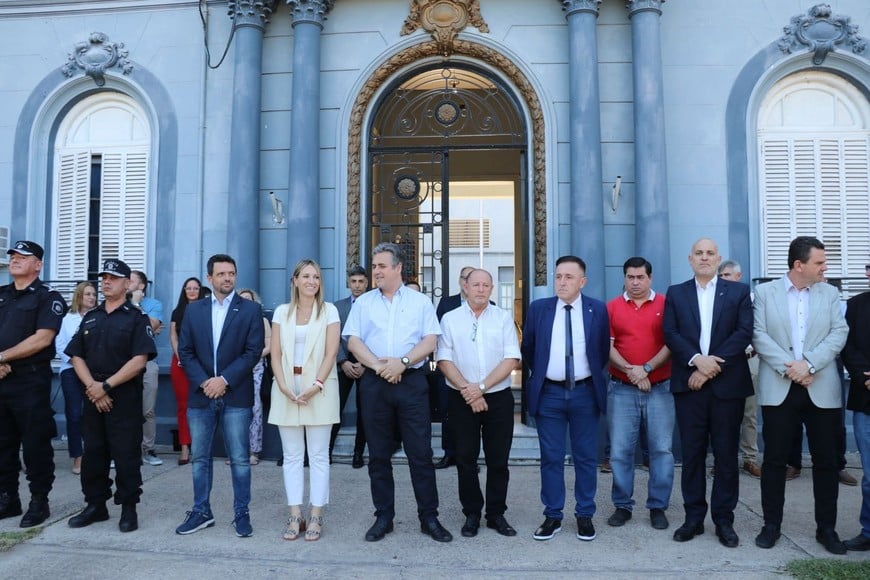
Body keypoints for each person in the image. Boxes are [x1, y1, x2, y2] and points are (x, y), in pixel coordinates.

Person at [344, 242, 450, 543]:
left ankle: (429, 518)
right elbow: (353, 341)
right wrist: (380, 367)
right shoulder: (364, 303)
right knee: (378, 455)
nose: (376, 271)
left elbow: (430, 341)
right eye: (374, 266)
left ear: (398, 268)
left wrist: (402, 363)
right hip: (375, 384)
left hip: (412, 383)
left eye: (381, 266)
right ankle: (384, 517)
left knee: (421, 454)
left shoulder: (420, 302)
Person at [752, 236, 849, 555]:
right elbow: (759, 335)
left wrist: (808, 364)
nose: (825, 268)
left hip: (821, 387)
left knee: (826, 462)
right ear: (798, 265)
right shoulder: (765, 293)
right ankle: (771, 526)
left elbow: (839, 333)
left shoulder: (830, 293)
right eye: (819, 262)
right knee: (774, 461)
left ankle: (826, 529)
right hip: (780, 387)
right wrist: (791, 369)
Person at [662, 238, 752, 548]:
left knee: (726, 456)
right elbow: (670, 332)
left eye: (710, 253)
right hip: (689, 387)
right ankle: (694, 518)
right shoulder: (676, 293)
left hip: (727, 386)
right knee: (692, 455)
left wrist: (708, 367)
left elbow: (743, 332)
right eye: (698, 253)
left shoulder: (738, 292)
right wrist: (695, 360)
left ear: (718, 258)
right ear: (690, 259)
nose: (704, 257)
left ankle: (724, 520)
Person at [175, 254, 264, 538]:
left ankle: (241, 513)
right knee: (200, 458)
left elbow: (253, 351)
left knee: (239, 459)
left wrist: (224, 380)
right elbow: (185, 351)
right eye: (222, 273)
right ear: (210, 277)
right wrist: (205, 382)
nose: (227, 278)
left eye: (231, 273)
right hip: (201, 396)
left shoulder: (250, 310)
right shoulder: (194, 310)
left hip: (236, 395)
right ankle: (201, 512)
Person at [65, 259, 157, 533]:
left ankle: (128, 508)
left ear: (127, 284)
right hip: (93, 395)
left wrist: (105, 387)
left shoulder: (136, 318)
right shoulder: (91, 316)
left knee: (126, 455)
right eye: (103, 277)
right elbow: (76, 355)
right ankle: (96, 505)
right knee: (94, 454)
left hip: (123, 398)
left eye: (113, 278)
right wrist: (93, 387)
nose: (106, 282)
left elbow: (139, 360)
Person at [522, 255, 609, 542]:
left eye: (569, 277)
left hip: (585, 392)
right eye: (558, 276)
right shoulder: (539, 309)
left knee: (585, 457)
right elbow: (529, 348)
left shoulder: (597, 309)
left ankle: (584, 514)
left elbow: (601, 351)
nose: (562, 282)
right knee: (551, 457)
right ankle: (552, 515)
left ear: (582, 281)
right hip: (549, 393)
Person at [436, 268, 520, 538]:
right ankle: (471, 513)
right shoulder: (450, 319)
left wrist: (480, 388)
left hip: (498, 398)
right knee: (465, 458)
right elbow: (443, 360)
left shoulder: (503, 318)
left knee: (498, 460)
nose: (481, 289)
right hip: (461, 398)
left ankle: (496, 514)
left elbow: (511, 359)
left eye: (486, 285)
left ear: (492, 289)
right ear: (465, 287)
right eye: (476, 285)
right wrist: (468, 391)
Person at [269, 260, 340, 541]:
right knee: (292, 456)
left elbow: (331, 352)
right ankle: (295, 513)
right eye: (307, 276)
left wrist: (316, 384)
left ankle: (316, 515)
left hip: (319, 388)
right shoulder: (281, 312)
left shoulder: (329, 311)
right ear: (295, 280)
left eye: (317, 277)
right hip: (287, 387)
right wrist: (283, 385)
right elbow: (275, 353)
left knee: (319, 456)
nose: (312, 281)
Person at [0, 241, 67, 528]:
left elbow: (42, 338)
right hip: (1, 378)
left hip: (29, 380)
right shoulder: (1, 294)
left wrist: (2, 357)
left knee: (35, 445)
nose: (15, 260)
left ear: (38, 265)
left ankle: (39, 501)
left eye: (23, 257)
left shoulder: (47, 297)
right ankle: (7, 498)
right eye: (13, 256)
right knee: (2, 444)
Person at [605, 257, 673, 531]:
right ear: (624, 278)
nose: (635, 282)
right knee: (620, 451)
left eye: (640, 277)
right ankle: (623, 505)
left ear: (650, 278)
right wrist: (631, 371)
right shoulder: (612, 307)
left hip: (660, 389)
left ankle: (658, 507)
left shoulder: (666, 304)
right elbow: (607, 346)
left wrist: (646, 369)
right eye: (630, 277)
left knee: (661, 451)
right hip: (621, 389)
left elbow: (672, 343)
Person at [717, 259, 762, 478]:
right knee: (723, 414)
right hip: (724, 361)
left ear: (739, 276)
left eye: (727, 275)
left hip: (749, 359)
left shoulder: (754, 300)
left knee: (749, 413)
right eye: (721, 276)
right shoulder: (716, 300)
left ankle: (749, 458)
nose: (724, 279)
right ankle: (723, 460)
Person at [432, 266, 475, 469]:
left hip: (475, 372)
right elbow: (437, 333)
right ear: (460, 281)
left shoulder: (489, 304)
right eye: (465, 278)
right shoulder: (447, 303)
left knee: (473, 417)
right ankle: (449, 454)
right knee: (448, 413)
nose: (468, 282)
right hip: (448, 369)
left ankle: (469, 457)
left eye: (471, 278)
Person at [841, 261, 870, 552]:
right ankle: (869, 531)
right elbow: (847, 347)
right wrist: (864, 376)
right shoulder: (855, 306)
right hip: (866, 400)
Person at [55, 281, 98, 475]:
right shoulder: (67, 319)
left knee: (92, 414)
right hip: (70, 370)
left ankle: (94, 455)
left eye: (94, 294)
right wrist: (76, 363)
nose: (92, 297)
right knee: (74, 414)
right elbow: (60, 345)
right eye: (88, 294)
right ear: (79, 296)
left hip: (93, 371)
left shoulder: (99, 317)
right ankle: (77, 456)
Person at [332, 266, 369, 469]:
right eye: (353, 281)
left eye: (361, 281)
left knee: (365, 411)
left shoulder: (374, 306)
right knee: (334, 408)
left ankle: (358, 453)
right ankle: (326, 451)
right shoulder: (337, 307)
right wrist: (343, 361)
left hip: (367, 365)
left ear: (367, 283)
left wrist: (364, 363)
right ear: (349, 283)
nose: (357, 285)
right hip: (343, 363)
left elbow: (376, 336)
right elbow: (333, 337)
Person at [128, 270, 164, 467]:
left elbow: (150, 326)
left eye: (131, 280)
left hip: (147, 361)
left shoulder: (154, 305)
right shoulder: (118, 303)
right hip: (122, 363)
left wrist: (135, 305)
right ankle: (125, 450)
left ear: (141, 286)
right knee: (124, 408)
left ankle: (147, 449)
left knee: (147, 409)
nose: (126, 282)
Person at [169, 277, 206, 465]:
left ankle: (200, 448)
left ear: (200, 290)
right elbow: (173, 336)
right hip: (180, 362)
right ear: (184, 291)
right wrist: (181, 357)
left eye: (195, 288)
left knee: (202, 405)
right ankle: (184, 447)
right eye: (188, 288)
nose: (192, 291)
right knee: (183, 405)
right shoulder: (177, 312)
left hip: (202, 362)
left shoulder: (206, 310)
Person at [238, 288, 270, 466]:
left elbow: (270, 345)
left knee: (255, 410)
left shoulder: (262, 320)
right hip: (236, 370)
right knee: (235, 411)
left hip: (256, 369)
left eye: (248, 299)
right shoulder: (232, 320)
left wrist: (253, 357)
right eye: (242, 299)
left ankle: (253, 451)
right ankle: (237, 451)